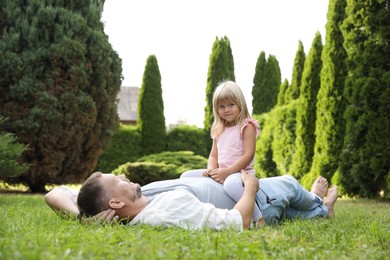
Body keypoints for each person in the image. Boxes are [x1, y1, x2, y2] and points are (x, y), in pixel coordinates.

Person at [45, 172, 338, 230]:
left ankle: (318, 207)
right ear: (116, 204)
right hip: (253, 199)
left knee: (291, 215)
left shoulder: (127, 199)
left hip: (219, 181)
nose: (122, 175)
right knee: (288, 183)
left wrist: (82, 217)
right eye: (117, 181)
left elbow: (53, 194)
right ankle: (318, 204)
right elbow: (239, 222)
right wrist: (249, 186)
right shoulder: (166, 211)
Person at [180, 81, 262, 224]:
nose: (226, 110)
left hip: (241, 173)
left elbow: (248, 155)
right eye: (221, 106)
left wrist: (228, 171)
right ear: (216, 108)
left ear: (240, 104)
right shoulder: (219, 128)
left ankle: (258, 217)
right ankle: (192, 210)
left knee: (231, 185)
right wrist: (211, 170)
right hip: (221, 173)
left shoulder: (246, 126)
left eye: (231, 105)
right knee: (185, 176)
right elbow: (213, 155)